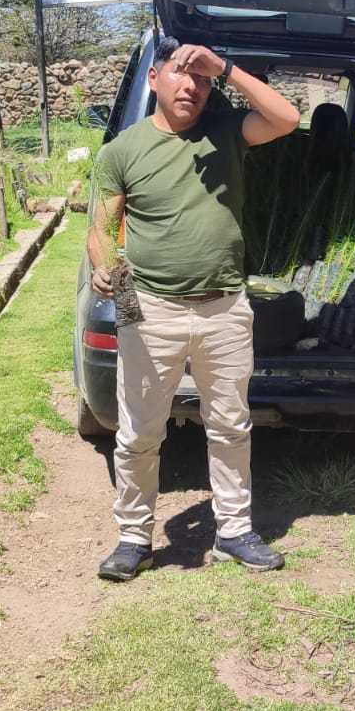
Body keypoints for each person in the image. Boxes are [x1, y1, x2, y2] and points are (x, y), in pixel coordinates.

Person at [89, 35, 301, 581]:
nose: (192, 86)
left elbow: (286, 117)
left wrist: (225, 66)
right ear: (154, 79)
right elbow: (102, 229)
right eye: (181, 75)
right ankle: (134, 537)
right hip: (146, 303)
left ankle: (232, 531)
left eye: (201, 79)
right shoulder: (121, 151)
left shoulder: (226, 132)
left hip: (224, 305)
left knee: (230, 425)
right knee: (138, 430)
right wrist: (104, 265)